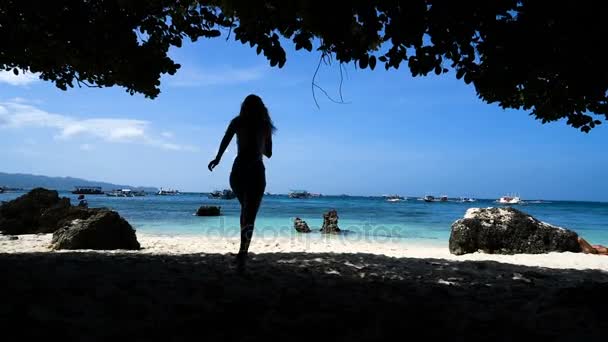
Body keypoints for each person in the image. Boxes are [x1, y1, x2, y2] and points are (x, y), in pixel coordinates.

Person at [208, 94, 275, 271]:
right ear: (262, 108)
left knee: (245, 210)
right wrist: (262, 141)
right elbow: (268, 153)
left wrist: (217, 159)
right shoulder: (265, 125)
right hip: (255, 171)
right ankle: (242, 253)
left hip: (238, 171)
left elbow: (225, 141)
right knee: (249, 214)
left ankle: (241, 253)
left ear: (243, 107)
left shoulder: (238, 121)